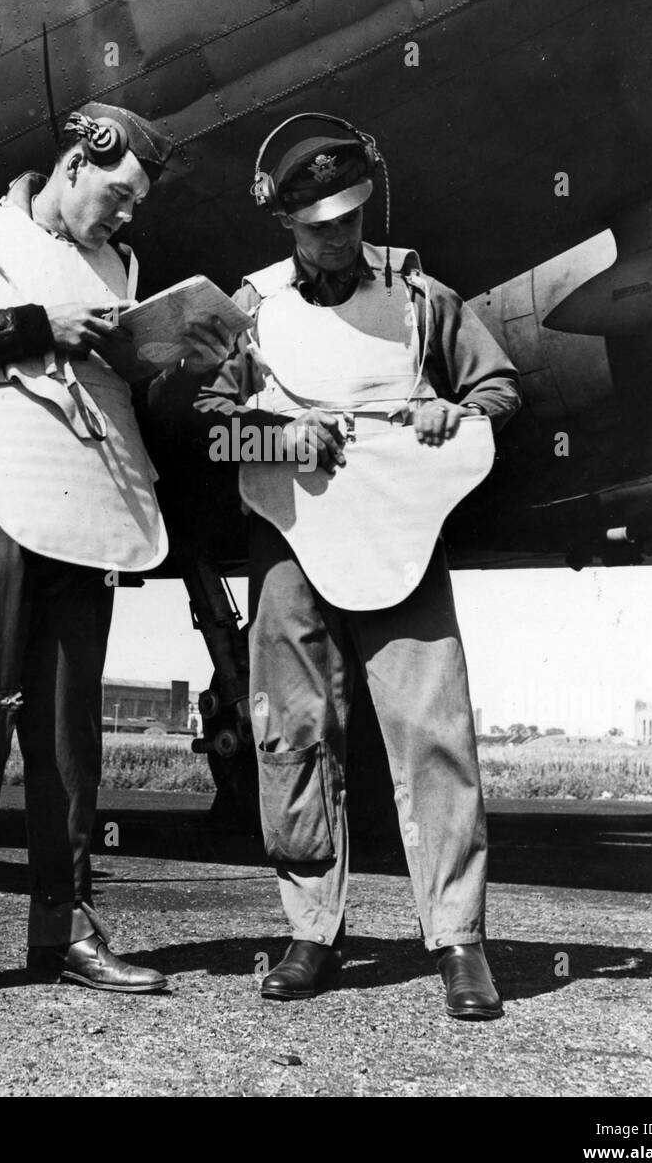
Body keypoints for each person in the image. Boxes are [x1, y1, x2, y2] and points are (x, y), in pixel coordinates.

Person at [0, 102, 229, 1010]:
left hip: (84, 512)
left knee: (69, 733)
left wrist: (182, 364)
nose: (124, 220)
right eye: (116, 196)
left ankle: (65, 927)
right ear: (76, 163)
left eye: (135, 208)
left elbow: (124, 403)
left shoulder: (119, 267)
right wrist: (41, 323)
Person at [193, 114, 522, 1017]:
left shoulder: (420, 297)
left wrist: (450, 414)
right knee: (293, 732)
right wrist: (272, 428)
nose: (340, 237)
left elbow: (497, 387)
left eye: (350, 218)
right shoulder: (251, 310)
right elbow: (209, 420)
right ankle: (309, 932)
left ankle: (459, 941)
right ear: (286, 225)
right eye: (320, 226)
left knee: (433, 731)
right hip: (292, 542)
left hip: (400, 538)